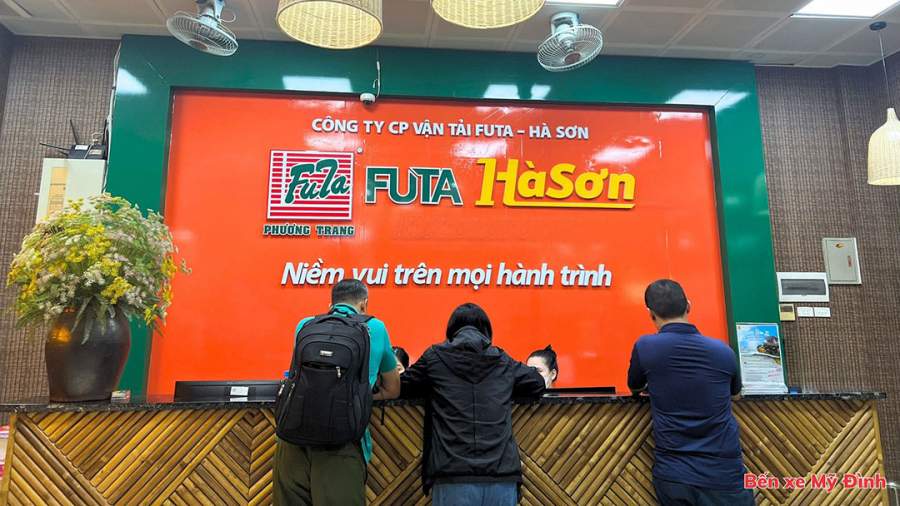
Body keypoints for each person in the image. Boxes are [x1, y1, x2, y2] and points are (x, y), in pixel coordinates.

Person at [400, 303, 546, 506]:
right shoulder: (502, 360)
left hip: (452, 475)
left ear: (451, 330)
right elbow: (537, 383)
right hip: (501, 475)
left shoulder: (435, 358)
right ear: (486, 331)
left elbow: (401, 386)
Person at [273, 279, 401, 505]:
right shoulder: (376, 328)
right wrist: (364, 397)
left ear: (330, 304)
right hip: (342, 444)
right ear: (364, 304)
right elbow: (392, 389)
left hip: (292, 440)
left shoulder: (305, 325)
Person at [627, 279, 754, 506]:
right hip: (724, 473)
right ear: (688, 305)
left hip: (675, 473)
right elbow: (735, 394)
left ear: (650, 314)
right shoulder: (723, 351)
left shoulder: (645, 347)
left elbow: (634, 387)